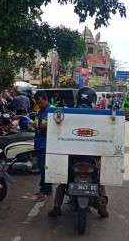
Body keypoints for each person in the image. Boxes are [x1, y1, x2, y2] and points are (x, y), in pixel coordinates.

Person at [48, 87, 109, 218]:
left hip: (73, 156)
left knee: (63, 181)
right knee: (99, 181)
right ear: (93, 99)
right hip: (91, 156)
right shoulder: (100, 115)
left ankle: (56, 207)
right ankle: (103, 209)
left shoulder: (69, 113)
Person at [33, 91, 52, 201]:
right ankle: (48, 189)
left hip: (46, 143)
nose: (39, 104)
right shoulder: (40, 111)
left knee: (43, 167)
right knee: (43, 167)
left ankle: (43, 191)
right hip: (40, 142)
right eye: (37, 103)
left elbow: (48, 125)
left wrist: (43, 125)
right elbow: (37, 124)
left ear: (45, 99)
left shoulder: (51, 111)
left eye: (40, 102)